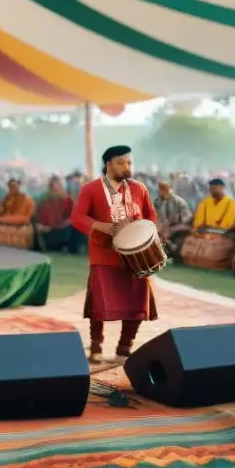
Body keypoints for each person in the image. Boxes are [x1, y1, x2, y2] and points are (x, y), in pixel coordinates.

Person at [71, 145, 158, 363]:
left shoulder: (140, 189)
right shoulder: (90, 189)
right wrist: (103, 227)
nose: (127, 166)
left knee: (137, 304)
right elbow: (77, 217)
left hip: (136, 258)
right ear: (108, 164)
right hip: (104, 255)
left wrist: (145, 240)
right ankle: (96, 347)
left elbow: (151, 219)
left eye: (129, 162)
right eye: (121, 162)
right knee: (100, 304)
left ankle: (124, 349)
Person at [33, 176, 81, 253]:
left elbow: (73, 218)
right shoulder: (46, 204)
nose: (56, 191)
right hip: (50, 234)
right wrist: (41, 226)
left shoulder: (68, 201)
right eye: (54, 189)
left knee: (73, 230)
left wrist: (55, 226)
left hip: (63, 231)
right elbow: (41, 222)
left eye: (58, 188)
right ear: (50, 190)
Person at [0, 178, 35, 249]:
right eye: (11, 187)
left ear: (19, 186)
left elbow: (28, 215)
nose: (13, 188)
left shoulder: (27, 199)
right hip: (5, 223)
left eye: (15, 186)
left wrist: (18, 219)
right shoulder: (5, 199)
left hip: (21, 223)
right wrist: (1, 215)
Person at [154, 181, 192, 259]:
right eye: (160, 189)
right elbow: (155, 214)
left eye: (163, 189)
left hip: (177, 226)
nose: (161, 191)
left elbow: (187, 216)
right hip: (162, 225)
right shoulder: (158, 202)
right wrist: (160, 224)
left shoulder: (178, 201)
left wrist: (175, 220)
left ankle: (171, 252)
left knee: (170, 233)